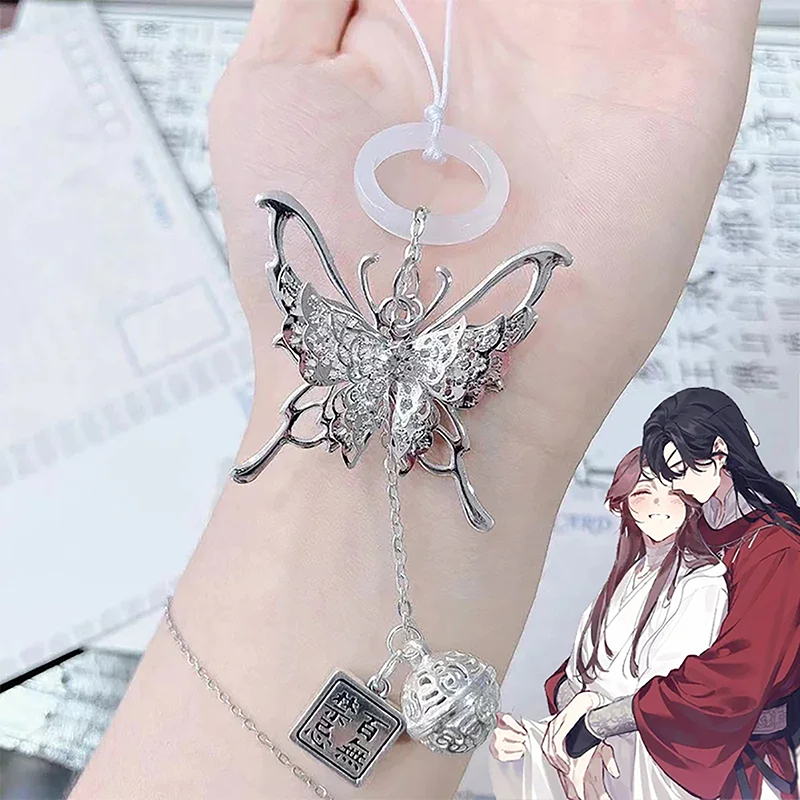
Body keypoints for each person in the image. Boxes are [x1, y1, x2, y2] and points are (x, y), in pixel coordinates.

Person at [67, 4, 763, 799]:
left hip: (395, 406)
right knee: (326, 421)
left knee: (335, 420)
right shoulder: (382, 314)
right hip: (385, 402)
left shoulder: (409, 318)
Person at [545, 388, 800, 800]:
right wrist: (574, 693)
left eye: (678, 470)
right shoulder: (691, 527)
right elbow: (621, 633)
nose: (671, 487)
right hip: (646, 748)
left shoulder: (779, 550)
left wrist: (597, 722)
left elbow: (730, 680)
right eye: (663, 474)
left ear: (719, 453)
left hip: (739, 763)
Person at [489, 447, 729, 799]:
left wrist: (592, 717)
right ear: (624, 503)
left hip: (654, 748)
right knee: (511, 748)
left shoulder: (703, 582)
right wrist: (574, 711)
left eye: (671, 493)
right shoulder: (628, 578)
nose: (659, 506)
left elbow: (667, 694)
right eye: (644, 493)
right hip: (600, 729)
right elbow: (579, 672)